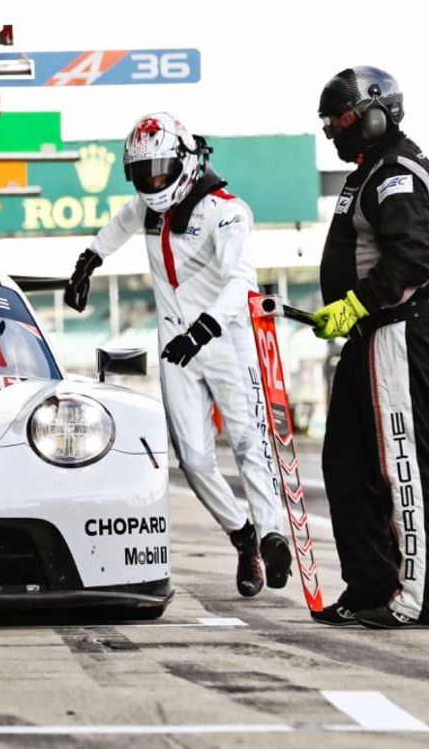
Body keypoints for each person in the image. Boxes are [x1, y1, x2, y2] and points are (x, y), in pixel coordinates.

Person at [65, 112, 288, 599]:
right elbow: (117, 225)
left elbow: (240, 283)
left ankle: (272, 533)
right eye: (144, 174)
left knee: (250, 443)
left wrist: (204, 329)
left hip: (228, 343)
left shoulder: (227, 211)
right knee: (192, 460)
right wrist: (88, 261)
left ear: (186, 161)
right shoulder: (146, 208)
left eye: (161, 170)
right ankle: (243, 536)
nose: (153, 181)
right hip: (175, 348)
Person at [311, 65, 429, 629]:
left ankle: (418, 598)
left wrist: (355, 304)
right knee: (346, 462)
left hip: (401, 328)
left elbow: (413, 257)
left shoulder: (395, 172)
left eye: (341, 119)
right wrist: (347, 311)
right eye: (330, 123)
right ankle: (371, 585)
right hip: (372, 332)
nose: (335, 130)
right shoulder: (369, 170)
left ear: (375, 113)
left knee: (404, 464)